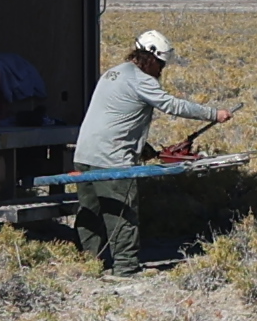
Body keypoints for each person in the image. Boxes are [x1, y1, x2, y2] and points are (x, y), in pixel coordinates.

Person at [71, 30, 235, 276]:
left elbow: (115, 117)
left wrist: (144, 149)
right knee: (121, 213)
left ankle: (90, 264)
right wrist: (214, 114)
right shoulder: (140, 79)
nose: (161, 70)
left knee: (90, 212)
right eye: (161, 64)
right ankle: (125, 268)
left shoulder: (113, 73)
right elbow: (172, 105)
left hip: (85, 154)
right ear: (152, 58)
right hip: (112, 159)